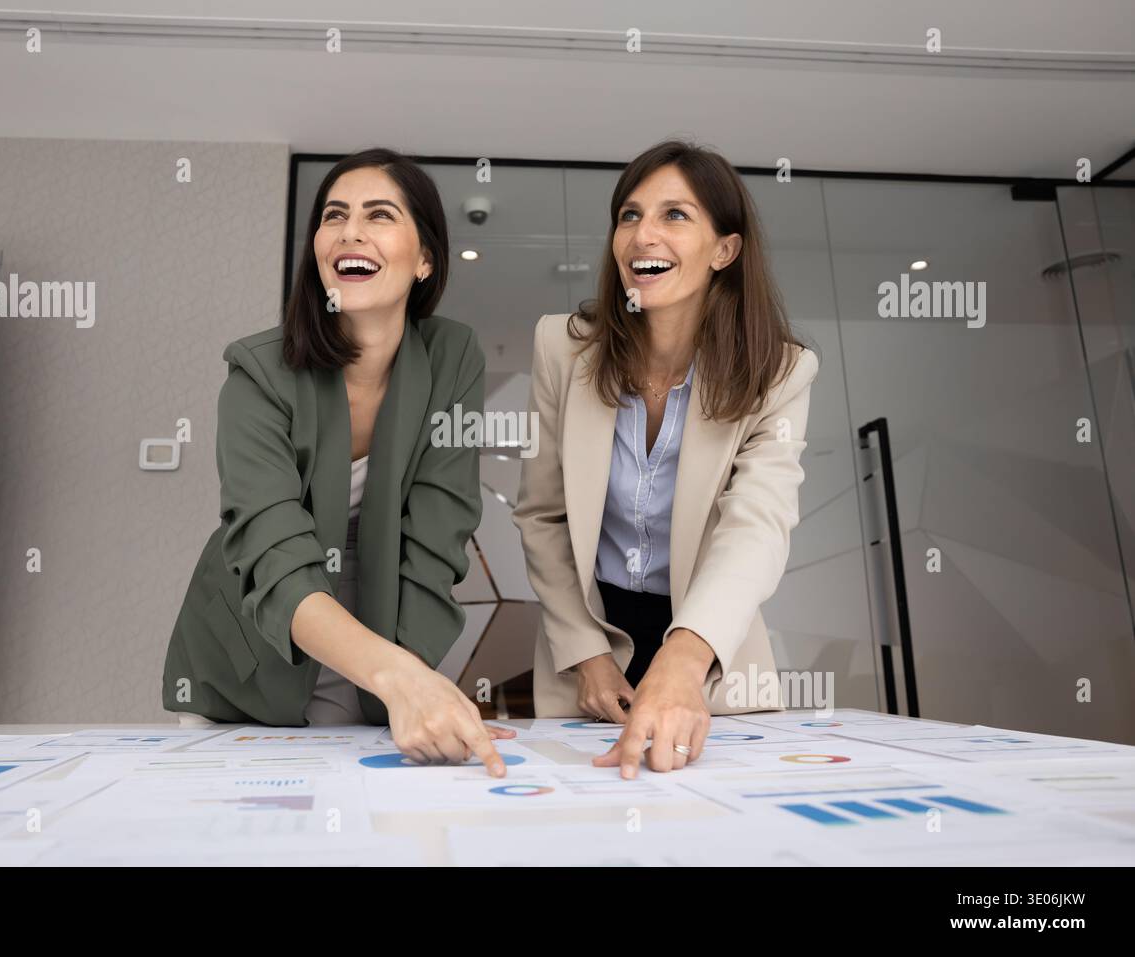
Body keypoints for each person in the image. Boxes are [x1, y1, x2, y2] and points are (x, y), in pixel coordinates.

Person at [164, 147, 514, 775]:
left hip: (382, 640)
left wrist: (410, 684)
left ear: (426, 259)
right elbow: (273, 554)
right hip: (257, 649)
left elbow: (438, 538)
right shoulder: (257, 371)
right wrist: (399, 678)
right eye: (334, 216)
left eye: (379, 215)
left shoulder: (452, 358)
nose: (350, 230)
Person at [513, 140, 820, 778]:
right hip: (588, 643)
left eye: (674, 216)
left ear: (724, 251)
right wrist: (585, 653)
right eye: (629, 215)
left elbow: (756, 526)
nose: (641, 235)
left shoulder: (780, 373)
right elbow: (541, 514)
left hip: (711, 644)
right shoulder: (561, 349)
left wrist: (684, 659)